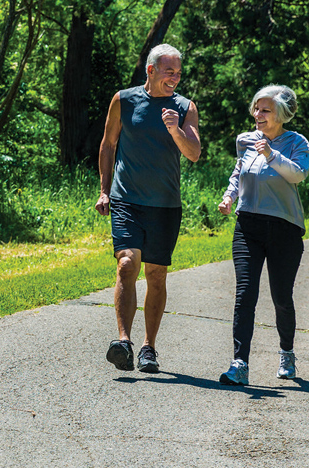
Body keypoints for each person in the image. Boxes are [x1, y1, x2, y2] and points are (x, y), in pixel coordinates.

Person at [96, 44, 201, 373]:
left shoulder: (185, 107)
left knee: (156, 275)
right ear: (151, 70)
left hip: (165, 205)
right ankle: (124, 342)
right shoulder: (124, 100)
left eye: (179, 72)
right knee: (127, 264)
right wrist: (104, 190)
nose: (175, 77)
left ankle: (148, 347)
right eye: (169, 71)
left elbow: (194, 153)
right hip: (127, 198)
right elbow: (109, 143)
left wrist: (175, 128)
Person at [217, 84, 309, 385]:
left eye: (265, 109)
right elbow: (238, 173)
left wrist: (272, 155)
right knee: (245, 294)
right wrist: (229, 197)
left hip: (285, 228)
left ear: (281, 113)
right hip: (248, 226)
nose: (258, 114)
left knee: (281, 297)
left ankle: (286, 353)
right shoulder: (246, 140)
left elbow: (298, 174)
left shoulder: (297, 142)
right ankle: (239, 364)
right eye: (256, 108)